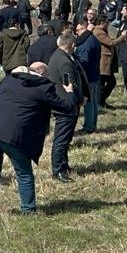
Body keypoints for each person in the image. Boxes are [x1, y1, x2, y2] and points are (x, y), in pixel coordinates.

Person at [0, 63, 76, 214]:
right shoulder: (42, 87)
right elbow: (65, 107)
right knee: (23, 173)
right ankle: (28, 209)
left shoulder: (8, 79)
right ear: (43, 74)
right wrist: (70, 93)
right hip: (14, 134)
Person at [47, 34, 90, 182]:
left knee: (65, 139)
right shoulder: (65, 62)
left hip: (61, 103)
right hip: (66, 105)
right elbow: (70, 85)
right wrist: (80, 99)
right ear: (71, 45)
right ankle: (58, 170)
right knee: (62, 139)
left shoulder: (56, 56)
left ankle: (64, 166)